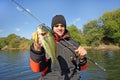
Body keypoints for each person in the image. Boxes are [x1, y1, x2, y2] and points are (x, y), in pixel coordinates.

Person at [30, 15, 88, 80]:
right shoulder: (43, 42)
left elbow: (82, 68)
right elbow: (36, 69)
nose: (59, 28)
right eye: (56, 26)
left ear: (65, 27)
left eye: (62, 26)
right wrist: (37, 48)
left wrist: (82, 58)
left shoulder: (74, 43)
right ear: (52, 28)